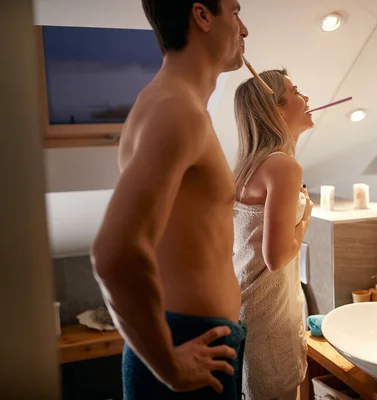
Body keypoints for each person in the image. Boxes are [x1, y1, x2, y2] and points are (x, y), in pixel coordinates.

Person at [90, 1, 249, 398]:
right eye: (235, 12)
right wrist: (171, 368)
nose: (244, 30)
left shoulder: (174, 104)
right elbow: (113, 254)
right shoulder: (177, 110)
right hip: (189, 348)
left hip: (196, 341)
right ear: (202, 15)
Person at [232, 69, 315, 400]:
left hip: (246, 302)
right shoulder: (283, 166)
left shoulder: (246, 166)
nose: (306, 99)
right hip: (268, 314)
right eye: (297, 92)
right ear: (277, 108)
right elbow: (277, 257)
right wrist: (306, 216)